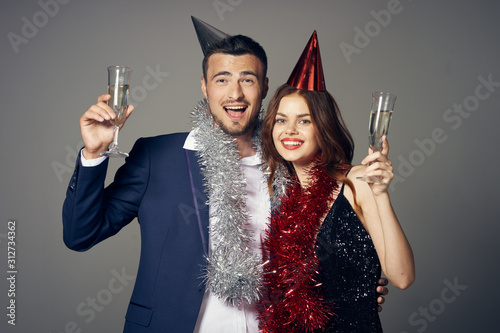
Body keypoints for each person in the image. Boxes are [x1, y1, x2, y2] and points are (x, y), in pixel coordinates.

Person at [62, 18, 389, 333]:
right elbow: (80, 234)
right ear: (205, 87)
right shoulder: (156, 157)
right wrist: (93, 154)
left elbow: (320, 249)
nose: (235, 94)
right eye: (222, 79)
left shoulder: (290, 166)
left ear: (263, 86)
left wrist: (354, 287)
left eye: (247, 79)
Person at [258, 31, 415, 332]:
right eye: (281, 119)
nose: (290, 130)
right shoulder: (280, 195)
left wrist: (380, 194)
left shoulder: (355, 181)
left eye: (304, 120)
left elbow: (403, 277)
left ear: (323, 127)